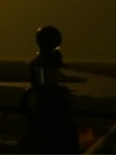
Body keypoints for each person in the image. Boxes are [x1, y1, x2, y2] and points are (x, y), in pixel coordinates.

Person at [19, 26, 80, 154]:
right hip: (48, 113)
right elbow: (45, 87)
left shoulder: (37, 64)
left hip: (44, 112)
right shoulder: (41, 64)